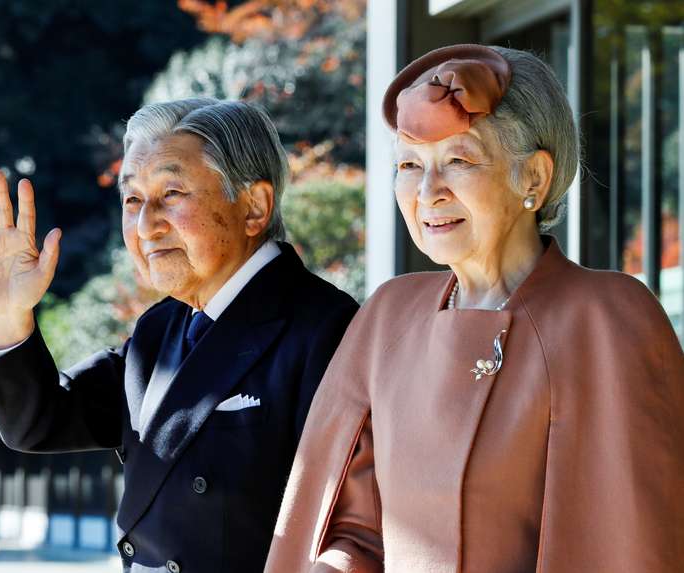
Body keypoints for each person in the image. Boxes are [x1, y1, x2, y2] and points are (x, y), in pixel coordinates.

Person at [265, 44, 684, 573]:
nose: (427, 192)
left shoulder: (606, 318)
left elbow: (629, 546)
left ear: (533, 178)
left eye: (458, 161)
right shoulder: (388, 316)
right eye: (409, 165)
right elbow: (354, 531)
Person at [0, 98, 358, 573]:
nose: (146, 225)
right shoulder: (159, 328)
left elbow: (351, 529)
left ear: (254, 206)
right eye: (132, 200)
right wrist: (6, 313)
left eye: (172, 193)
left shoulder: (327, 328)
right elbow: (41, 421)